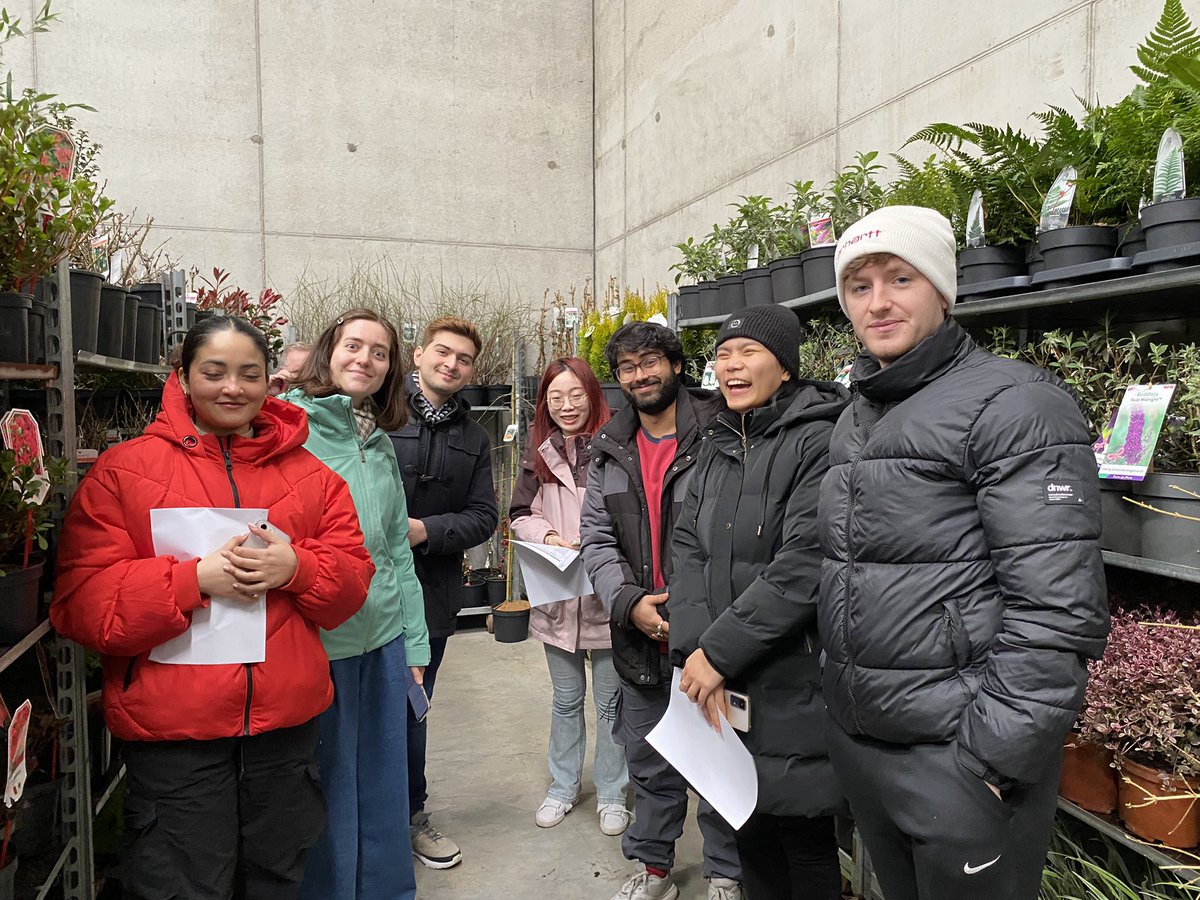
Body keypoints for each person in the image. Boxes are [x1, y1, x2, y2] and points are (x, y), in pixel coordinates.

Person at [819, 206, 1109, 900]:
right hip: (868, 748)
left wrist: (989, 759)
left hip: (957, 760)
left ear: (943, 290)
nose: (878, 301)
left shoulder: (1016, 405)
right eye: (858, 285)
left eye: (900, 277)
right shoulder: (858, 415)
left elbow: (1056, 609)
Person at [51, 316, 374, 900]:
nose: (233, 388)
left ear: (269, 383)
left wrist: (296, 568)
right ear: (182, 377)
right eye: (214, 372)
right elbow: (80, 605)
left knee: (277, 876)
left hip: (284, 729)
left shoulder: (313, 478)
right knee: (180, 883)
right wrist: (189, 581)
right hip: (176, 734)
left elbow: (352, 586)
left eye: (249, 374)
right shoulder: (124, 472)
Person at [670, 305, 848, 900]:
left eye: (749, 352)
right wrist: (699, 655)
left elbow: (806, 562)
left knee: (802, 839)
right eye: (723, 354)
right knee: (747, 829)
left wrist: (718, 654)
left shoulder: (820, 441)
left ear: (786, 368)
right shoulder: (716, 442)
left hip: (792, 675)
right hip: (720, 677)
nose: (732, 365)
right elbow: (687, 553)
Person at [580, 321, 743, 900]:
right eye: (627, 367)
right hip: (639, 635)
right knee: (650, 761)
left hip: (714, 633)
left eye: (650, 362)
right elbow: (596, 540)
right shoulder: (608, 451)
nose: (639, 376)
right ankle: (654, 868)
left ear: (676, 366)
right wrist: (628, 603)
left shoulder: (723, 431)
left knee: (721, 754)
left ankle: (725, 871)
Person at [282, 309, 430, 900]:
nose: (364, 360)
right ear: (328, 351)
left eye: (379, 352)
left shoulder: (380, 442)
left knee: (384, 782)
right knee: (330, 786)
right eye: (353, 346)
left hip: (385, 640)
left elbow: (396, 549)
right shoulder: (291, 429)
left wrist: (413, 643)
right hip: (322, 641)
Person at [390, 315, 498, 869]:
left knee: (414, 708)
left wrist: (425, 531)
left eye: (463, 359)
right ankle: (363, 820)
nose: (451, 364)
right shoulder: (380, 414)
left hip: (430, 597)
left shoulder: (473, 437)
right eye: (443, 352)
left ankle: (412, 817)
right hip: (364, 591)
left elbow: (484, 517)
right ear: (418, 354)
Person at [509, 357, 631, 835]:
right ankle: (562, 788)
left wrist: (599, 542)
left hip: (606, 599)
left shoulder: (617, 450)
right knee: (565, 700)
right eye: (555, 397)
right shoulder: (536, 455)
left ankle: (612, 793)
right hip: (558, 598)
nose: (566, 406)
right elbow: (519, 513)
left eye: (576, 395)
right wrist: (551, 537)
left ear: (594, 395)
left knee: (609, 704)